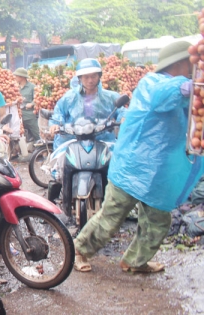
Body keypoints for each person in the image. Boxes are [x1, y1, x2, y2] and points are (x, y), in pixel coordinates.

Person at [73, 40, 204, 273]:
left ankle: (134, 261)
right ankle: (80, 250)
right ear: (180, 63)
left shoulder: (184, 90)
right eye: (189, 64)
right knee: (111, 217)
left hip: (158, 173)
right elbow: (160, 95)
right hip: (132, 168)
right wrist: (184, 87)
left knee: (157, 222)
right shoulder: (153, 83)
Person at [47, 58, 124, 202]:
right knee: (58, 171)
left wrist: (124, 118)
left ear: (99, 76)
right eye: (86, 77)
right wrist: (55, 124)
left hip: (103, 140)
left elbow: (121, 111)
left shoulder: (110, 97)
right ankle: (50, 208)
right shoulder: (69, 98)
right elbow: (58, 114)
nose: (90, 80)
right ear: (80, 78)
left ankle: (120, 204)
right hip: (73, 139)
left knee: (120, 169)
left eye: (94, 76)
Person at [14, 68, 39, 144]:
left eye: (16, 76)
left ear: (22, 77)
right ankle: (17, 150)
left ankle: (43, 150)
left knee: (36, 133)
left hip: (29, 114)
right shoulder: (15, 87)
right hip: (18, 114)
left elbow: (38, 98)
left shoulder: (32, 87)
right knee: (17, 133)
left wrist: (32, 103)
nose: (15, 77)